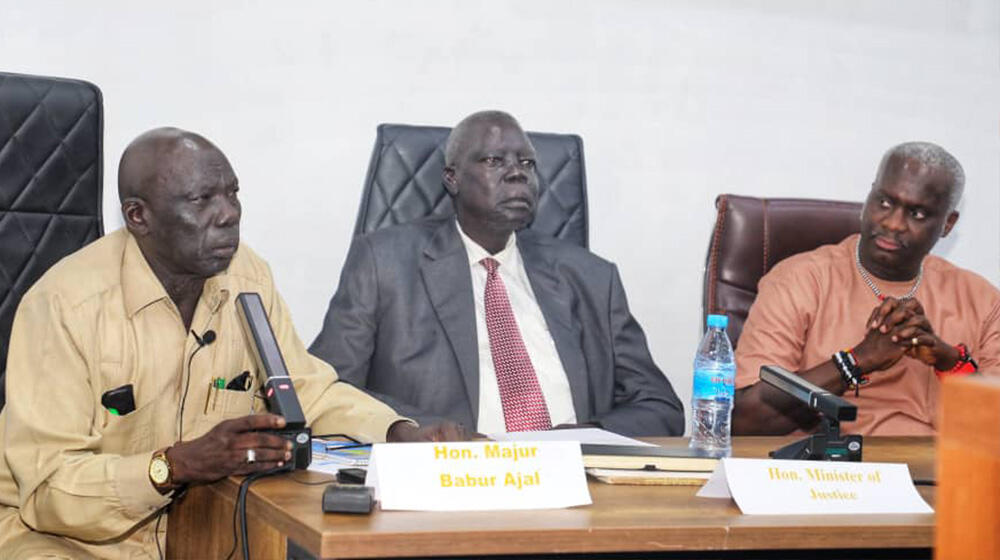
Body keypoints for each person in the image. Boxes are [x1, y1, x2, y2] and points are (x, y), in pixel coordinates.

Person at [0, 128, 465, 558]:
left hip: (205, 525)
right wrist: (174, 466)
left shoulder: (247, 277)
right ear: (139, 217)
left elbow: (304, 390)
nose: (229, 214)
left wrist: (398, 434)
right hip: (62, 541)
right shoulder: (66, 305)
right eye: (202, 199)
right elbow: (48, 490)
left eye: (232, 193)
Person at [309, 110, 683, 437]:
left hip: (576, 483)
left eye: (527, 164)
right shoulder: (383, 262)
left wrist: (590, 436)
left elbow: (659, 405)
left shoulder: (593, 278)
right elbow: (326, 387)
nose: (517, 174)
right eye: (494, 161)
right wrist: (415, 430)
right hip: (450, 481)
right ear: (452, 178)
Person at [732, 141, 1000, 436]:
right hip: (827, 472)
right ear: (870, 195)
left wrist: (949, 361)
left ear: (948, 224)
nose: (894, 223)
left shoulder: (983, 301)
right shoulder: (798, 281)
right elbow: (747, 421)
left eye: (917, 214)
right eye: (885, 202)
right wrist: (856, 361)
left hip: (937, 477)